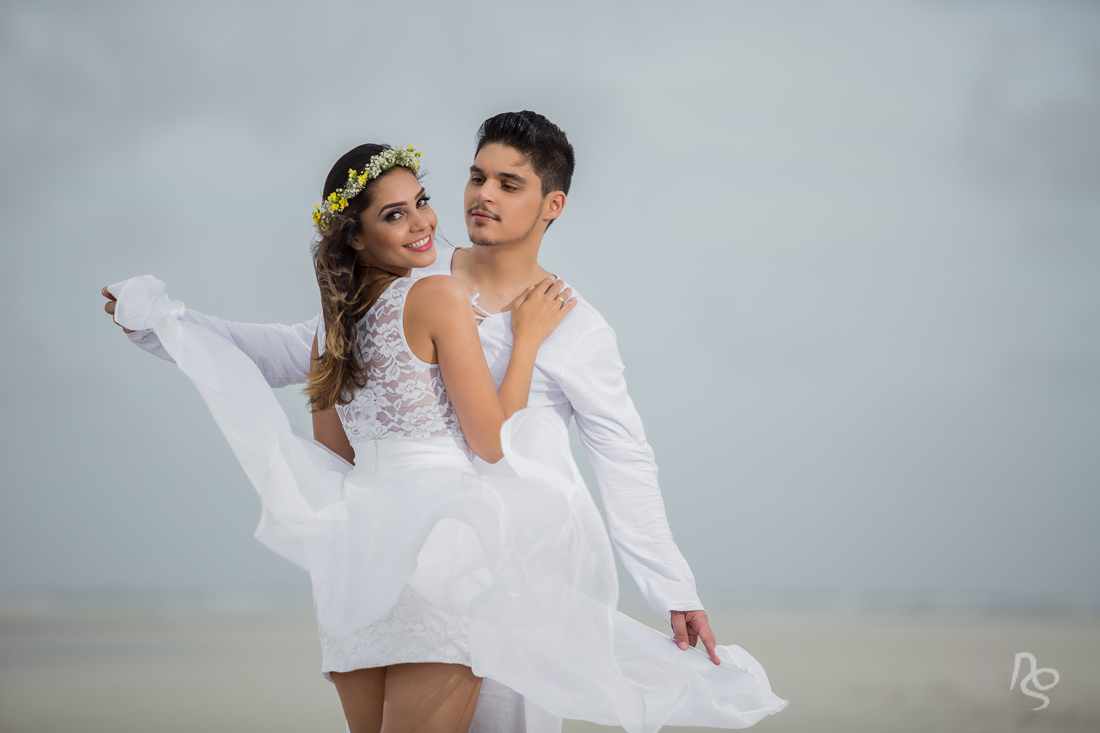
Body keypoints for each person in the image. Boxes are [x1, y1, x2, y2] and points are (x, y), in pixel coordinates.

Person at [105, 115, 787, 732]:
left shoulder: (576, 327)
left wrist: (673, 588)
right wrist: (161, 322)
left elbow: (626, 459)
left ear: (552, 205)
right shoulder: (403, 286)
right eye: (475, 175)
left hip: (518, 573)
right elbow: (272, 349)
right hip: (423, 566)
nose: (481, 195)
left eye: (508, 183)